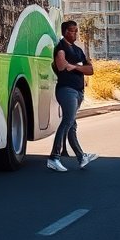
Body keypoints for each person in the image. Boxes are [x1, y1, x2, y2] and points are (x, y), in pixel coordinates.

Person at [48, 20, 97, 172]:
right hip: (66, 90)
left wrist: (75, 66)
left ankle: (81, 157)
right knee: (68, 121)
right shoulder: (61, 47)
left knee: (72, 125)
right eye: (71, 31)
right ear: (64, 32)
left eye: (76, 31)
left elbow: (90, 70)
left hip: (78, 91)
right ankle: (53, 157)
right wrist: (75, 66)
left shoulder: (78, 50)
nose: (74, 33)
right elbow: (62, 66)